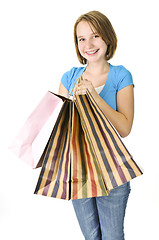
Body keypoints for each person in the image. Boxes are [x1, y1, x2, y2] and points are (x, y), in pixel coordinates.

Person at [58, 10, 134, 240]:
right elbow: (60, 130)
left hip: (112, 171)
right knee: (91, 238)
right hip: (78, 171)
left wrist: (94, 96)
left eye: (95, 36)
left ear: (107, 39)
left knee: (112, 237)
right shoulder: (69, 77)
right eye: (81, 39)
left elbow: (125, 128)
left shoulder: (121, 76)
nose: (88, 44)